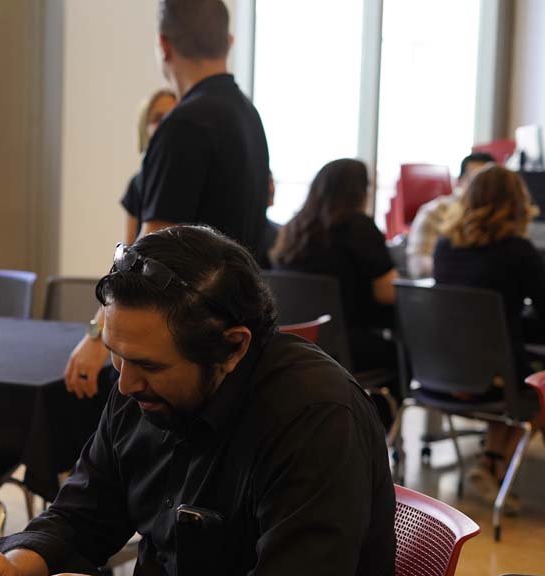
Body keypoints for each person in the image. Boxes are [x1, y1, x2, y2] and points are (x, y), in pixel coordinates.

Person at [0, 225, 404, 576]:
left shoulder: (314, 417)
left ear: (233, 346)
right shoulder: (141, 386)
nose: (124, 384)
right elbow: (84, 516)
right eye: (116, 356)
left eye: (148, 365)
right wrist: (17, 566)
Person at [66, 0, 269, 399]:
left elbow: (146, 257)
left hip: (182, 348)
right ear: (227, 41)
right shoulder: (248, 116)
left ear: (164, 45)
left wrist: (97, 336)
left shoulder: (183, 126)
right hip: (230, 342)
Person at [434, 164, 545, 506]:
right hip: (494, 378)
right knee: (536, 386)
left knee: (517, 370)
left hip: (442, 374)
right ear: (516, 202)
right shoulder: (519, 251)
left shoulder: (444, 246)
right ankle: (496, 468)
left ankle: (492, 463)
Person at [270, 158, 398, 374]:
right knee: (403, 354)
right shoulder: (359, 227)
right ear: (359, 192)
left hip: (292, 345)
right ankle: (378, 408)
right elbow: (388, 293)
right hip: (344, 348)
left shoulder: (293, 230)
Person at [405, 151, 496, 278]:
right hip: (443, 291)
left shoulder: (501, 217)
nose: (481, 188)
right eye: (475, 180)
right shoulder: (434, 212)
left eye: (489, 183)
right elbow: (419, 267)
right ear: (459, 181)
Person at [120, 88, 178, 243]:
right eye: (158, 118)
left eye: (171, 117)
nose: (166, 125)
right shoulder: (137, 183)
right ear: (144, 127)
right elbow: (130, 243)